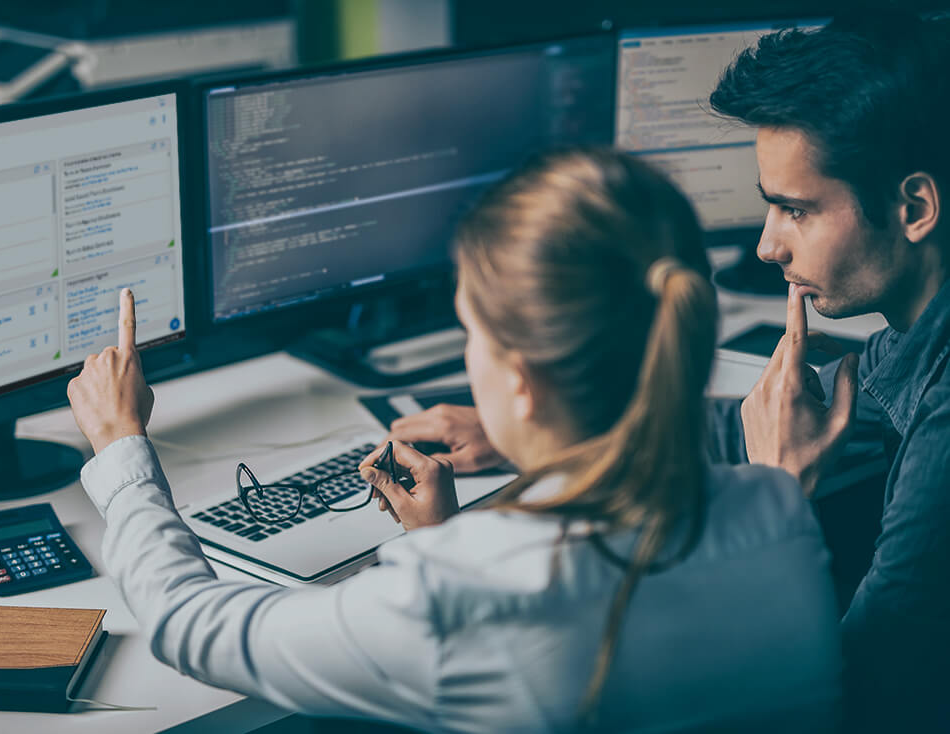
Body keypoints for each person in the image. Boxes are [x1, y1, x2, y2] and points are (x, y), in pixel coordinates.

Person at [67, 149, 841, 732]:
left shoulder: (464, 591)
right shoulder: (777, 503)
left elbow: (189, 626)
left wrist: (119, 443)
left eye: (472, 330)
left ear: (522, 380)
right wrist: (440, 541)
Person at [394, 13, 950, 731]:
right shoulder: (916, 341)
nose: (766, 246)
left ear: (913, 208)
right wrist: (553, 428)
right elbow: (763, 418)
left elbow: (855, 696)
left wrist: (777, 493)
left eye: (794, 210)